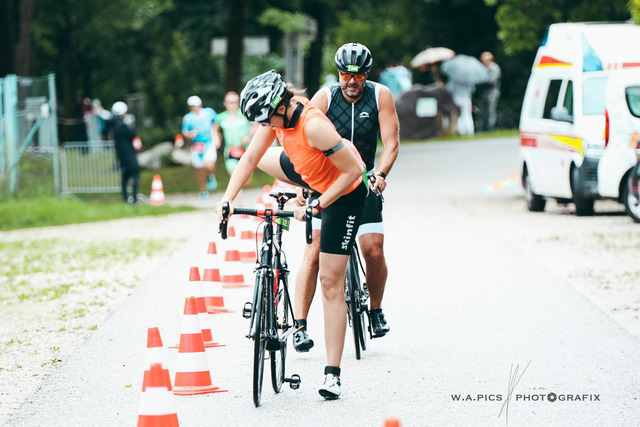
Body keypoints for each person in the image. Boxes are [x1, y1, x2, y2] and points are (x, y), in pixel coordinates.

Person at [216, 70, 367, 400]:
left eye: (266, 120)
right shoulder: (276, 119)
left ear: (281, 108)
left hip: (344, 191)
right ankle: (302, 185)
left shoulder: (313, 125)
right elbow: (250, 157)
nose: (264, 126)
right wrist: (227, 199)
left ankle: (332, 375)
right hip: (310, 172)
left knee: (330, 281)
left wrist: (316, 204)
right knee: (262, 158)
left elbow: (353, 170)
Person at [292, 43, 399, 353]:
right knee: (314, 251)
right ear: (338, 73)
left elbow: (391, 143)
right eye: (345, 75)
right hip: (325, 182)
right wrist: (302, 183)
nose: (352, 82)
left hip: (363, 181)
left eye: (359, 76)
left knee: (373, 250)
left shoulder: (380, 95)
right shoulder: (324, 97)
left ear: (368, 74)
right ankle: (299, 325)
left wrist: (381, 173)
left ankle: (375, 310)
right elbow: (301, 143)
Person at [181, 95, 221, 200]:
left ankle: (210, 175)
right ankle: (203, 190)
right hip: (197, 145)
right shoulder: (188, 118)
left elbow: (216, 123)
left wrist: (216, 135)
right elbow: (185, 132)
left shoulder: (209, 113)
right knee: (199, 168)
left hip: (208, 142)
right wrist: (190, 134)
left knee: (209, 165)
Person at [110, 101, 141, 204]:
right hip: (128, 154)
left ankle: (125, 199)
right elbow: (132, 133)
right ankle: (134, 198)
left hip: (121, 155)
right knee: (135, 173)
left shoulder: (113, 125)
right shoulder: (121, 125)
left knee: (125, 176)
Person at [476, 51, 501, 132]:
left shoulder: (495, 68)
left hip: (492, 91)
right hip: (484, 92)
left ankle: (490, 128)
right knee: (481, 110)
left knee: (491, 110)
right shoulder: (482, 68)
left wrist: (482, 79)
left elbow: (491, 80)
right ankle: (480, 128)